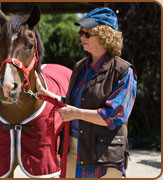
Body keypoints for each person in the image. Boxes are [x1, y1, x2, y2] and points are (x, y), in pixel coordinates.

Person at [35, 7, 137, 178]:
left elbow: (113, 115)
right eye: (80, 32)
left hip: (104, 158)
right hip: (73, 151)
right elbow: (73, 103)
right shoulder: (80, 67)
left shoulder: (124, 72)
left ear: (106, 36)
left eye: (87, 34)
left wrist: (75, 113)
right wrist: (44, 92)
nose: (81, 37)